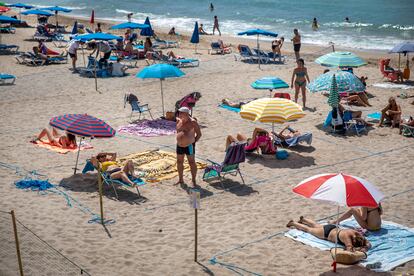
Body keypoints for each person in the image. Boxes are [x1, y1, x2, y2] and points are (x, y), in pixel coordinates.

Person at [287, 216, 371, 252]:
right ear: (353, 240)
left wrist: (366, 246)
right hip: (326, 234)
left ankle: (304, 219)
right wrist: (360, 250)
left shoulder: (356, 233)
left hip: (332, 227)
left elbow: (368, 243)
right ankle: (293, 223)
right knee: (308, 229)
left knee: (316, 225)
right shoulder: (347, 237)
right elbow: (349, 248)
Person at [176, 107, 202, 187]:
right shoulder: (179, 121)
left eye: (181, 113)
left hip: (189, 146)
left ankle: (193, 180)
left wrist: (193, 142)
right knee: (179, 162)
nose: (179, 114)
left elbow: (199, 134)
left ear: (187, 114)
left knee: (191, 163)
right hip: (179, 145)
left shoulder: (193, 122)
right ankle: (180, 179)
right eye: (179, 113)